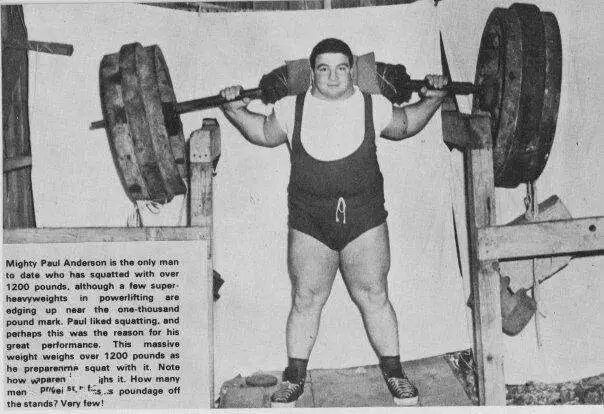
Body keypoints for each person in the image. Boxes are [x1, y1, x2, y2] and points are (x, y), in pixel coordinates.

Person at [219, 38, 447, 408]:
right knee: (306, 299)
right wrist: (234, 109)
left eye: (342, 68)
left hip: (364, 220)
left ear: (353, 71)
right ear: (311, 73)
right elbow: (262, 132)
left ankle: (395, 374)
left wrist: (434, 98)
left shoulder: (373, 104)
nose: (333, 76)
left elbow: (406, 124)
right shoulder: (292, 107)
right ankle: (294, 379)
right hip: (310, 222)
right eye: (324, 69)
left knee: (374, 295)